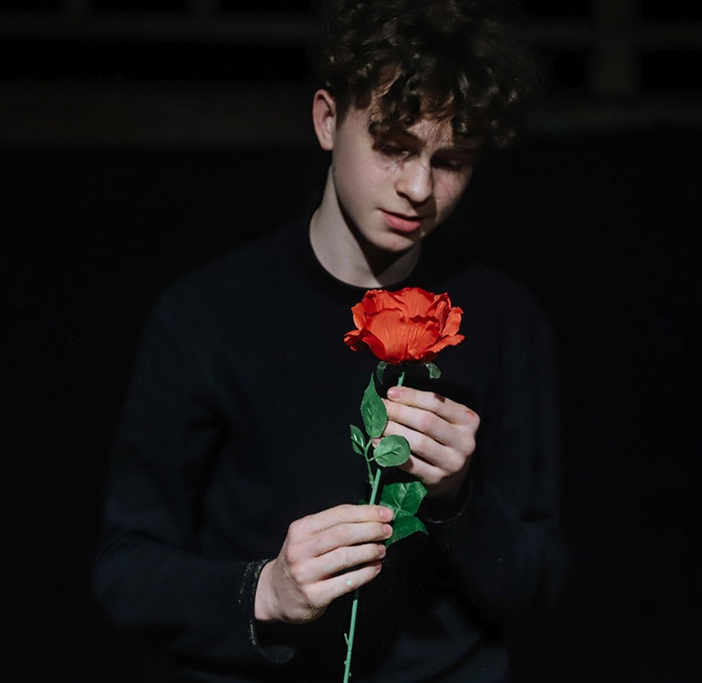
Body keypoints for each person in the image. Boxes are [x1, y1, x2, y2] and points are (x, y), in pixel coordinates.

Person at [92, 1, 569, 680]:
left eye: (451, 160)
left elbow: (535, 582)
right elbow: (126, 568)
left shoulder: (502, 318)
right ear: (326, 120)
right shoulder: (208, 313)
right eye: (393, 146)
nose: (418, 187)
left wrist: (459, 499)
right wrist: (264, 592)